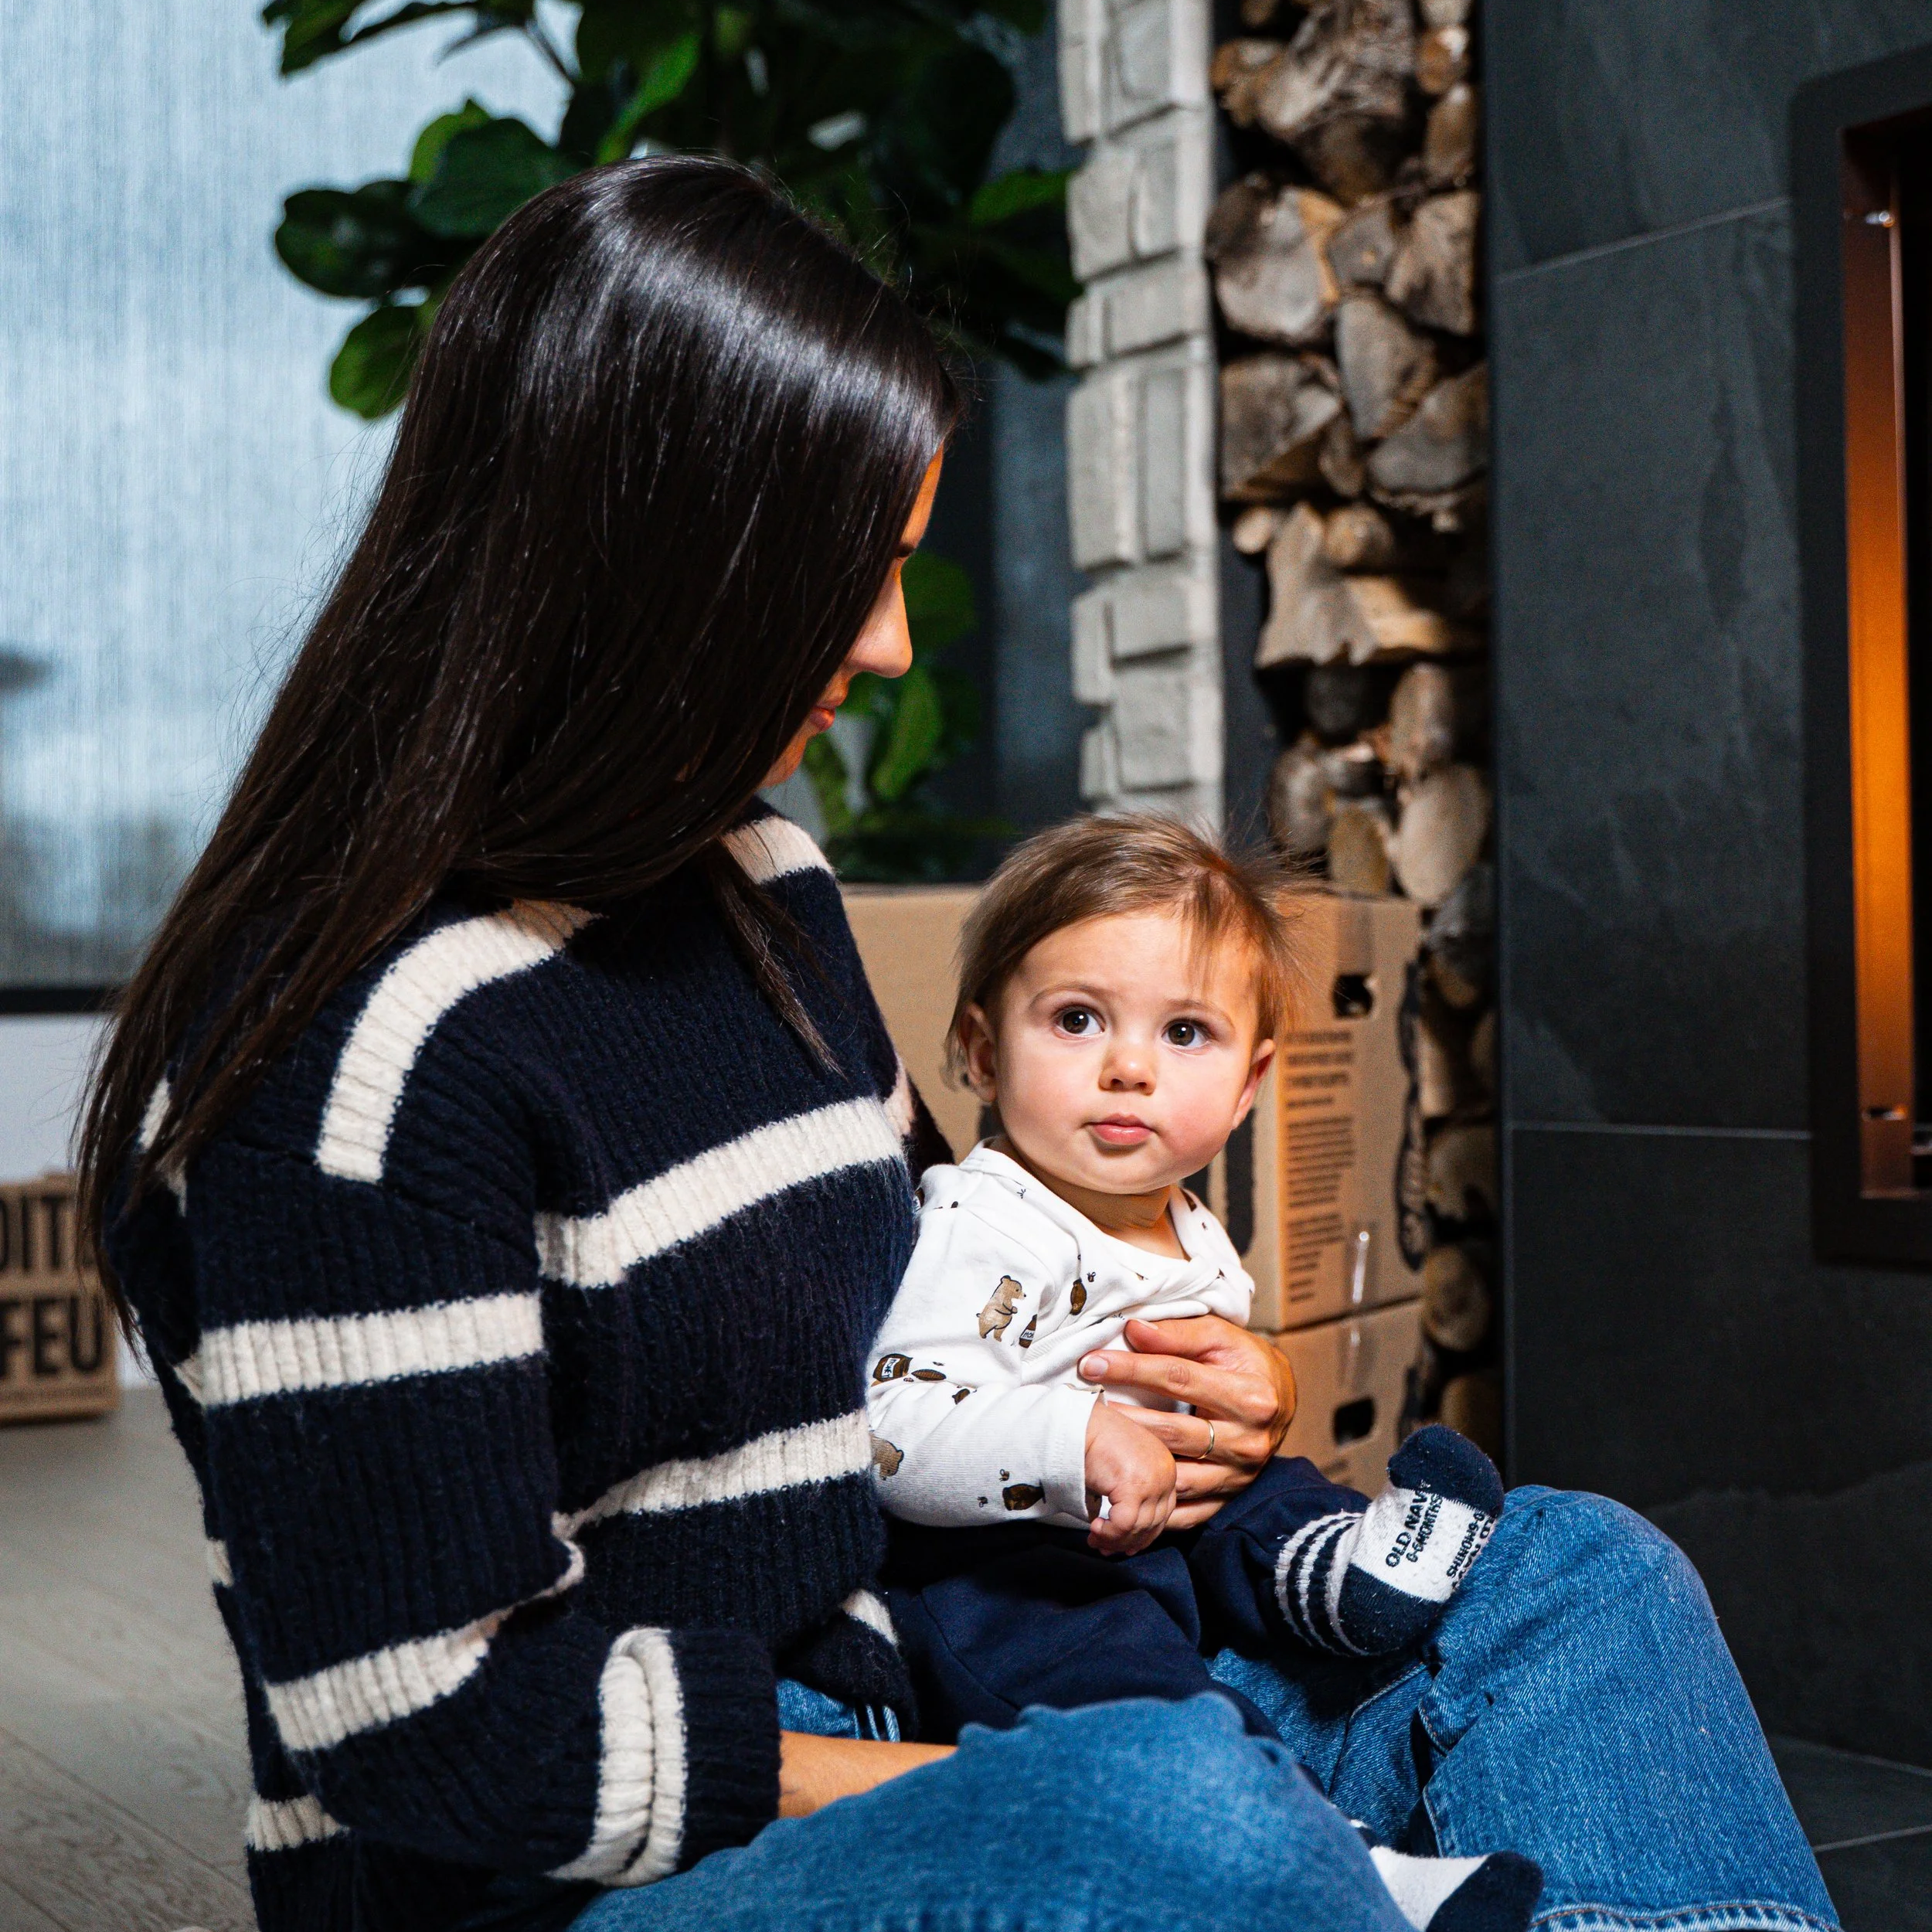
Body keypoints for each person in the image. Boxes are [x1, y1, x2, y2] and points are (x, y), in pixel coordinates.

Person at [77, 156, 1840, 1932]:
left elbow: (957, 1273)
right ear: (665, 562)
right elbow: (445, 1739)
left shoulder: (758, 882)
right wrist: (1050, 1782)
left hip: (955, 1681)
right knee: (1171, 1823)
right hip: (609, 1865)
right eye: (851, 576)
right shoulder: (355, 1061)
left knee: (1581, 1581)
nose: (890, 643)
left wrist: (1218, 1405)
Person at [867, 817, 1507, 1700]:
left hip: (1168, 1516)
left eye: (1185, 1033)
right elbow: (894, 1423)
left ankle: (1336, 1576)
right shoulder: (985, 1220)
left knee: (1270, 1486)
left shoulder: (1186, 1220)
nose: (1128, 1065)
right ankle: (1271, 1821)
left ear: (1248, 1085)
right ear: (983, 1052)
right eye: (1078, 1019)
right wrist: (1077, 1438)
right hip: (1012, 1559)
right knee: (1116, 1673)